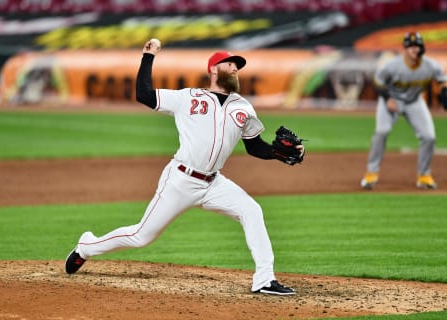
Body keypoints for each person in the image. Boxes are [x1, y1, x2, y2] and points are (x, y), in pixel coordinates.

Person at [65, 38, 304, 296]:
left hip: (214, 183)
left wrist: (280, 153)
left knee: (252, 210)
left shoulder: (243, 107)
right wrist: (148, 56)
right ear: (213, 69)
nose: (235, 68)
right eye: (229, 64)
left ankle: (264, 279)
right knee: (141, 236)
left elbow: (254, 146)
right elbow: (144, 95)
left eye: (238, 65)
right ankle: (86, 246)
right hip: (180, 180)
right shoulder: (188, 97)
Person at [360, 32, 447, 190]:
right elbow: (377, 81)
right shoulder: (393, 65)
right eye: (411, 46)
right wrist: (388, 98)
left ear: (422, 49)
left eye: (418, 46)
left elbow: (443, 79)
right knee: (382, 131)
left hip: (414, 101)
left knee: (429, 137)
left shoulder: (430, 65)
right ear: (405, 49)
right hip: (391, 100)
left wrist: (446, 93)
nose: (414, 49)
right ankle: (371, 173)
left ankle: (424, 176)